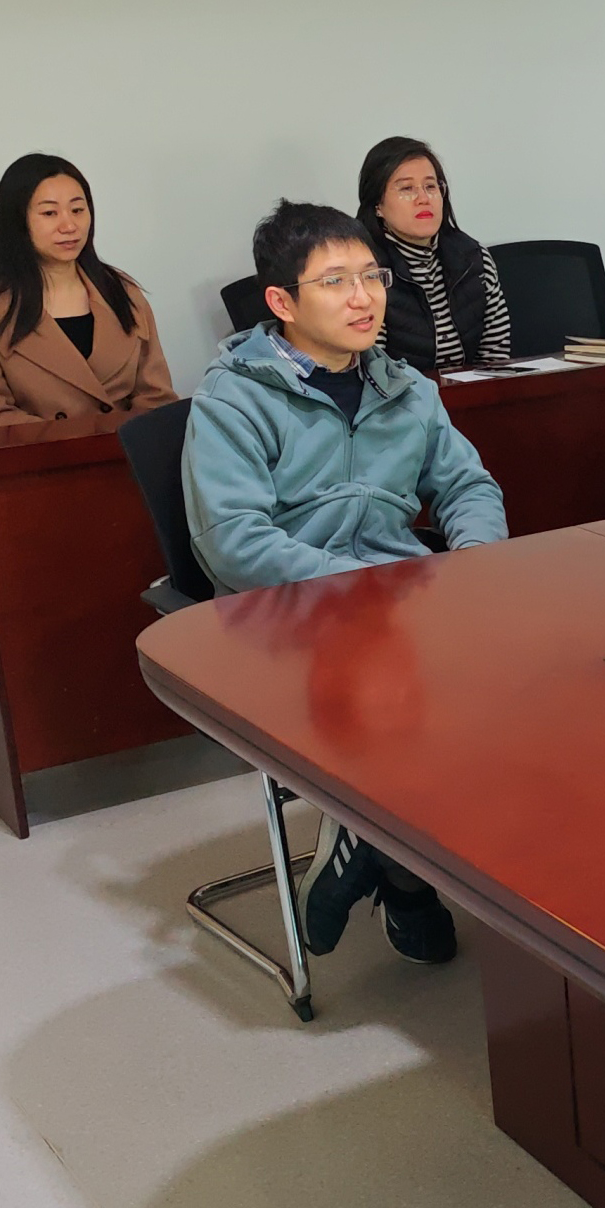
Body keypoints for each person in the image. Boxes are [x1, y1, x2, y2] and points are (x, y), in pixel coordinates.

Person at [184, 200, 509, 966]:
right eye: (335, 282)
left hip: (398, 606)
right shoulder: (234, 397)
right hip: (285, 614)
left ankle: (367, 840)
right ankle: (406, 877)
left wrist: (476, 564)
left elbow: (467, 486)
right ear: (282, 301)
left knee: (518, 680)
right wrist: (368, 588)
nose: (363, 298)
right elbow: (234, 542)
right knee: (416, 692)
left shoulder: (406, 389)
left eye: (372, 276)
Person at [0, 153, 176, 427]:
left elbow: (157, 398)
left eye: (78, 210)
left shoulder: (122, 290)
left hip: (126, 448)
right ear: (17, 220)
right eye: (49, 213)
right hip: (39, 451)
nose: (69, 226)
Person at [356, 135, 513, 372]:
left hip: (471, 392)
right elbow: (370, 369)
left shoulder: (474, 258)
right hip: (397, 394)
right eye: (407, 189)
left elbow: (495, 356)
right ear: (378, 205)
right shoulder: (366, 271)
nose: (423, 199)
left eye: (431, 186)